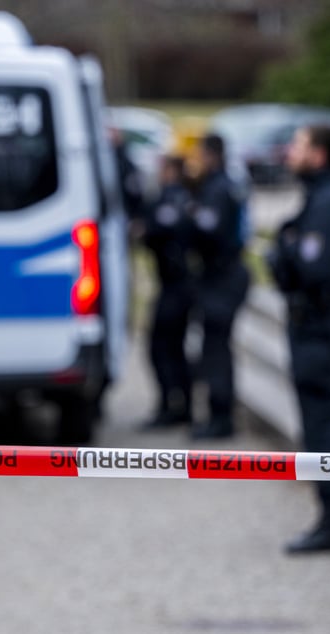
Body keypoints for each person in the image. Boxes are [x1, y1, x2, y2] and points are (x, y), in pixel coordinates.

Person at [266, 124, 330, 554]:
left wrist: (283, 251)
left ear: (319, 155)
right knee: (321, 416)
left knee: (323, 422)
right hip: (314, 320)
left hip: (316, 322)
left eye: (299, 146)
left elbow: (313, 268)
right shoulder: (321, 197)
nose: (291, 153)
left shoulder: (326, 202)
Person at [188, 134, 250, 440]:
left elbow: (209, 231)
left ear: (211, 154)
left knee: (216, 350)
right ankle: (218, 415)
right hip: (220, 276)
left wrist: (189, 217)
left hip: (222, 278)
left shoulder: (218, 188)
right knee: (214, 348)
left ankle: (221, 417)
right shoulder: (222, 185)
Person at [138, 156, 194, 430]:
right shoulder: (178, 197)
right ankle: (179, 404)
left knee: (162, 347)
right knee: (172, 347)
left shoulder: (174, 199)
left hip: (177, 285)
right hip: (174, 284)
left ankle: (173, 406)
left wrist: (144, 230)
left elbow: (157, 228)